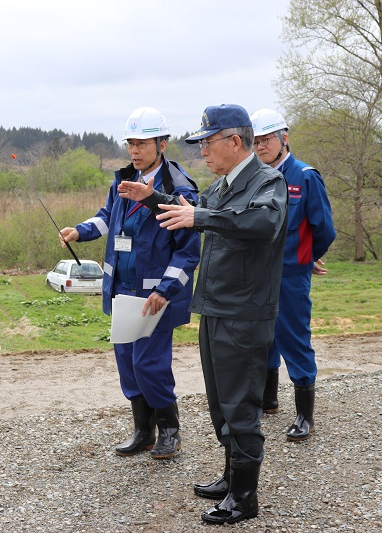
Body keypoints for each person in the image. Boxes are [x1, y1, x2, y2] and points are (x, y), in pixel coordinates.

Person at [118, 104, 288, 525]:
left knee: (241, 403)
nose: (202, 154)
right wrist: (152, 196)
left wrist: (201, 215)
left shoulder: (268, 181)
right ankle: (231, 476)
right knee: (220, 402)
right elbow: (188, 211)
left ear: (234, 141)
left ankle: (245, 496)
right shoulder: (224, 184)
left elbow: (262, 223)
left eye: (208, 144)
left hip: (245, 313)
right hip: (215, 307)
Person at [59, 107, 200, 459]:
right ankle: (143, 431)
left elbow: (188, 252)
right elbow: (107, 217)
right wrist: (81, 231)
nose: (134, 151)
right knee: (127, 362)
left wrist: (165, 290)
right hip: (123, 292)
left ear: (162, 144)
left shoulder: (179, 189)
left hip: (157, 295)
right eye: (130, 143)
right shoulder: (121, 182)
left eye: (142, 143)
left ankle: (170, 430)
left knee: (148, 363)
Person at [250, 109, 336, 441]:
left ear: (284, 138)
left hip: (290, 273)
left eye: (267, 139)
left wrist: (307, 255)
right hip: (259, 272)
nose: (261, 147)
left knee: (294, 338)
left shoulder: (304, 176)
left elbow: (324, 228)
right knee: (262, 336)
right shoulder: (255, 177)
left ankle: (305, 415)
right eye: (256, 141)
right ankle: (268, 399)